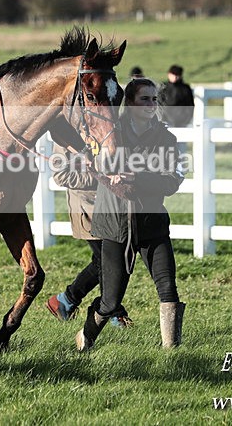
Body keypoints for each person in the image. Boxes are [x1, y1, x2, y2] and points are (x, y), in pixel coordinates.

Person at [75, 78, 185, 351]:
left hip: (152, 225)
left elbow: (171, 180)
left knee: (168, 290)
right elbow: (94, 166)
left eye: (154, 99)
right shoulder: (110, 134)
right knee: (111, 302)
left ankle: (172, 353)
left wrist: (137, 178)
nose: (151, 105)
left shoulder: (166, 139)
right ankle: (85, 338)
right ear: (130, 103)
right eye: (144, 99)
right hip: (115, 226)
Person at [45, 145, 131, 328]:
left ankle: (66, 300)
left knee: (107, 260)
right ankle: (114, 312)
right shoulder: (65, 140)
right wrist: (100, 177)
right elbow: (62, 176)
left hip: (111, 206)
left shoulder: (104, 130)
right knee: (106, 261)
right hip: (87, 209)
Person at [158, 64, 194, 129]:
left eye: (177, 75)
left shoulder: (185, 88)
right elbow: (158, 104)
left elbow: (190, 106)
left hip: (181, 123)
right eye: (173, 74)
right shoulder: (162, 87)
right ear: (169, 74)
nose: (175, 77)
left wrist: (185, 121)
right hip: (165, 122)